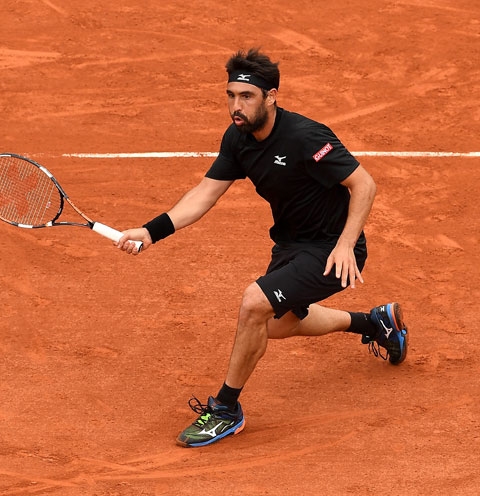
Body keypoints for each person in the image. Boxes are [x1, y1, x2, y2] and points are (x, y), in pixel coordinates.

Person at [116, 48, 408, 448]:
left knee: (254, 304)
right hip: (290, 245)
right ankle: (374, 323)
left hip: (332, 248)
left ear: (271, 97)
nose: (236, 106)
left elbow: (364, 185)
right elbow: (205, 193)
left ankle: (225, 409)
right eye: (231, 96)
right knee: (272, 325)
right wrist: (151, 232)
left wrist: (345, 245)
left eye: (247, 96)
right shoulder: (238, 140)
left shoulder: (306, 136)